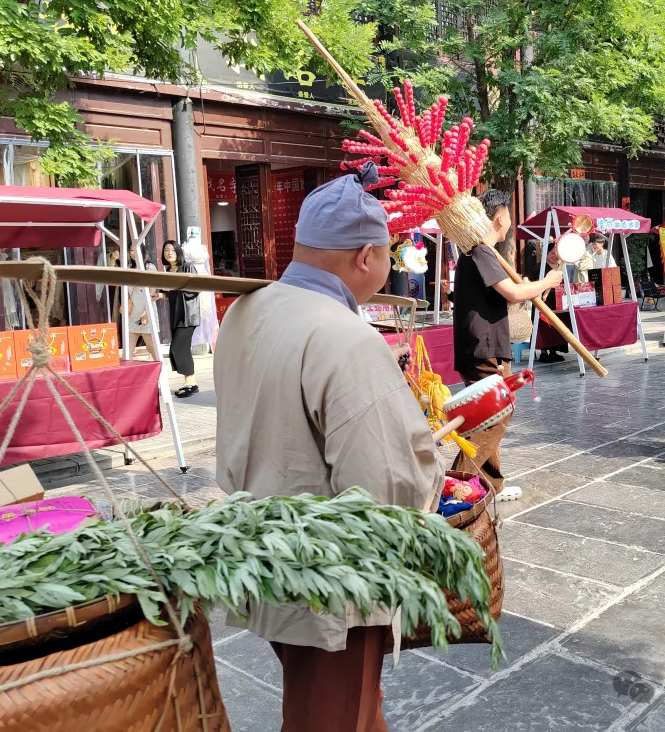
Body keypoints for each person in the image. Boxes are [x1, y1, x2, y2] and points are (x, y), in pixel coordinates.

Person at [214, 166, 442, 732]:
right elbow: (384, 485)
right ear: (366, 257)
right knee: (330, 719)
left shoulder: (247, 310)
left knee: (356, 710)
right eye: (389, 254)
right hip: (331, 574)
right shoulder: (347, 336)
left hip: (262, 549)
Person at [452, 188, 562, 501]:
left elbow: (508, 293)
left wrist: (529, 289)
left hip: (484, 343)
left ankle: (492, 485)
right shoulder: (480, 249)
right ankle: (457, 484)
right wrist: (547, 282)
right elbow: (512, 294)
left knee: (490, 415)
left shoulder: (478, 251)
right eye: (509, 217)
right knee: (494, 416)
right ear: (501, 218)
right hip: (481, 345)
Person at [162, 240, 201, 397]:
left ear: (178, 252)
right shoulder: (166, 272)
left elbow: (197, 288)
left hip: (188, 315)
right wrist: (160, 295)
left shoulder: (188, 268)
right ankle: (191, 382)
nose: (169, 253)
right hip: (176, 315)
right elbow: (169, 293)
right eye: (166, 250)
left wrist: (176, 287)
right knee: (181, 349)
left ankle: (191, 383)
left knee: (178, 348)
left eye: (172, 250)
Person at [127, 263, 160, 361]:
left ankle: (160, 369)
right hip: (133, 310)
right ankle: (128, 374)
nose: (133, 252)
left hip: (147, 309)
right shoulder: (128, 267)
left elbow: (152, 293)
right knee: (128, 349)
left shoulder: (149, 267)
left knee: (151, 347)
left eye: (134, 249)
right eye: (131, 250)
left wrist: (146, 312)